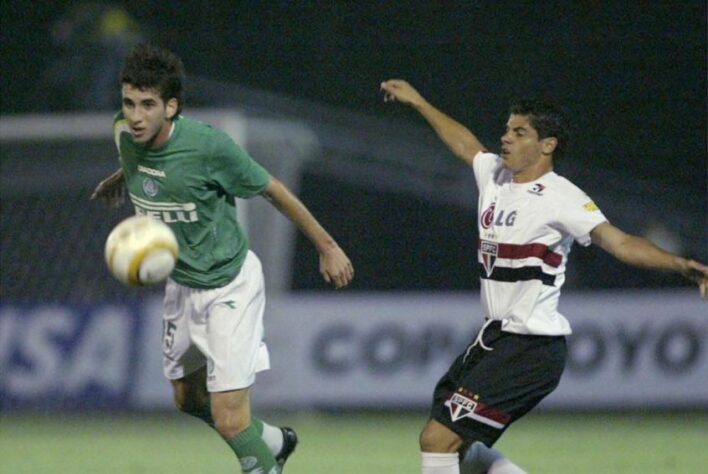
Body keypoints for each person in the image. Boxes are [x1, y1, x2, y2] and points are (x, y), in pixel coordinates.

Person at [380, 79, 708, 474]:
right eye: (506, 130)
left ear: (547, 145)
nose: (506, 138)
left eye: (520, 133)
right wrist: (418, 101)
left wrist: (681, 266)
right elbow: (465, 144)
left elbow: (619, 242)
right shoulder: (495, 177)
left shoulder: (561, 196)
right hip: (497, 339)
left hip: (530, 346)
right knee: (460, 448)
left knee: (438, 439)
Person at [91, 44, 354, 474]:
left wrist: (327, 246)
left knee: (231, 419)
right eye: (129, 103)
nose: (136, 115)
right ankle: (274, 441)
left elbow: (274, 189)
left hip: (229, 285)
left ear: (171, 107)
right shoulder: (124, 133)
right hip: (181, 285)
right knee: (186, 399)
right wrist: (119, 178)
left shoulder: (209, 147)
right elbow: (142, 158)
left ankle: (263, 462)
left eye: (148, 105)